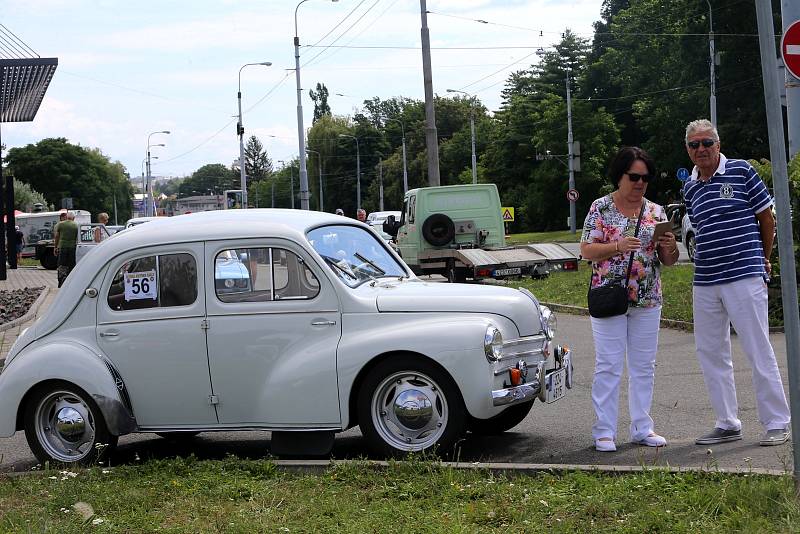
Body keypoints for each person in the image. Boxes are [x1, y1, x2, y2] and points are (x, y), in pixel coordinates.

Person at [682, 119, 790, 447]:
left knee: (758, 348)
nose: (701, 149)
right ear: (688, 150)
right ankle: (727, 422)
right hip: (705, 279)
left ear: (718, 143)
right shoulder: (689, 186)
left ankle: (777, 422)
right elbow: (698, 227)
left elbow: (766, 217)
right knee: (710, 352)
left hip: (744, 274)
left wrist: (763, 258)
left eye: (707, 142)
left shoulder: (741, 171)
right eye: (694, 145)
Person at [580, 146, 679, 452]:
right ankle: (604, 431)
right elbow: (586, 250)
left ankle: (642, 427)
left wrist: (670, 244)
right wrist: (617, 246)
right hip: (609, 296)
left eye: (645, 178)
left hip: (648, 298)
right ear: (619, 175)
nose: (640, 183)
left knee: (643, 366)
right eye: (634, 176)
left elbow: (669, 260)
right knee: (608, 365)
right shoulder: (601, 208)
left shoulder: (655, 211)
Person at [54, 211, 78, 288]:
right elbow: (77, 238)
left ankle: (61, 281)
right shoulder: (76, 225)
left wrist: (55, 247)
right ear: (74, 218)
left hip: (62, 247)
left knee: (61, 264)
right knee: (71, 264)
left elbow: (57, 236)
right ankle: (70, 281)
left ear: (67, 217)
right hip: (72, 247)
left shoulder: (61, 224)